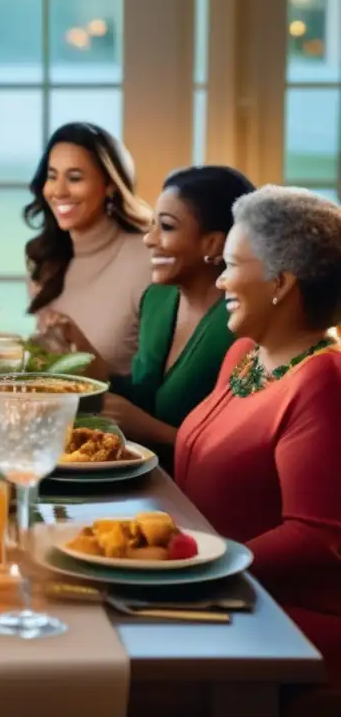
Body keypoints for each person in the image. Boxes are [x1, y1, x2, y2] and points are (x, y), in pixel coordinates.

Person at [176, 186, 341, 685]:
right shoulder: (245, 354)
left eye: (230, 264)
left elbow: (318, 539)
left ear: (281, 282)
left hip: (280, 616)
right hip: (217, 590)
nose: (220, 279)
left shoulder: (323, 381)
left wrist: (194, 567)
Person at [49, 166, 253, 464]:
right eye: (152, 226)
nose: (149, 240)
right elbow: (144, 395)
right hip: (140, 476)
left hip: (194, 495)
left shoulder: (241, 322)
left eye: (167, 227)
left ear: (214, 244)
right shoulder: (158, 299)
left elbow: (238, 454)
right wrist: (82, 350)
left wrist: (152, 430)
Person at [27, 122, 153, 377]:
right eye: (52, 176)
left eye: (75, 178)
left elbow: (155, 385)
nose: (59, 191)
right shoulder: (44, 256)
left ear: (109, 185)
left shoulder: (147, 258)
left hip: (115, 414)